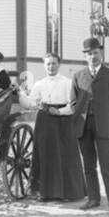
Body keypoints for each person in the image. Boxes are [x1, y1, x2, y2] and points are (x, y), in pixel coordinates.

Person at [21, 53, 86, 202]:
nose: (51, 66)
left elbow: (73, 105)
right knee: (46, 153)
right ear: (44, 65)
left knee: (65, 153)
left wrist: (59, 111)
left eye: (54, 63)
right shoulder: (39, 84)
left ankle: (68, 192)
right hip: (44, 120)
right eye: (48, 64)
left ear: (59, 64)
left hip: (63, 120)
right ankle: (46, 192)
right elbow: (31, 102)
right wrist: (21, 94)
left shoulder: (67, 82)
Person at [72, 36, 109, 213]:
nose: (92, 56)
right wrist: (80, 116)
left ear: (101, 53)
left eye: (95, 53)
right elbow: (73, 102)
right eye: (89, 54)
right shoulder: (78, 76)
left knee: (108, 165)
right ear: (85, 56)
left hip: (105, 126)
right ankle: (93, 199)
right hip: (84, 126)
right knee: (88, 165)